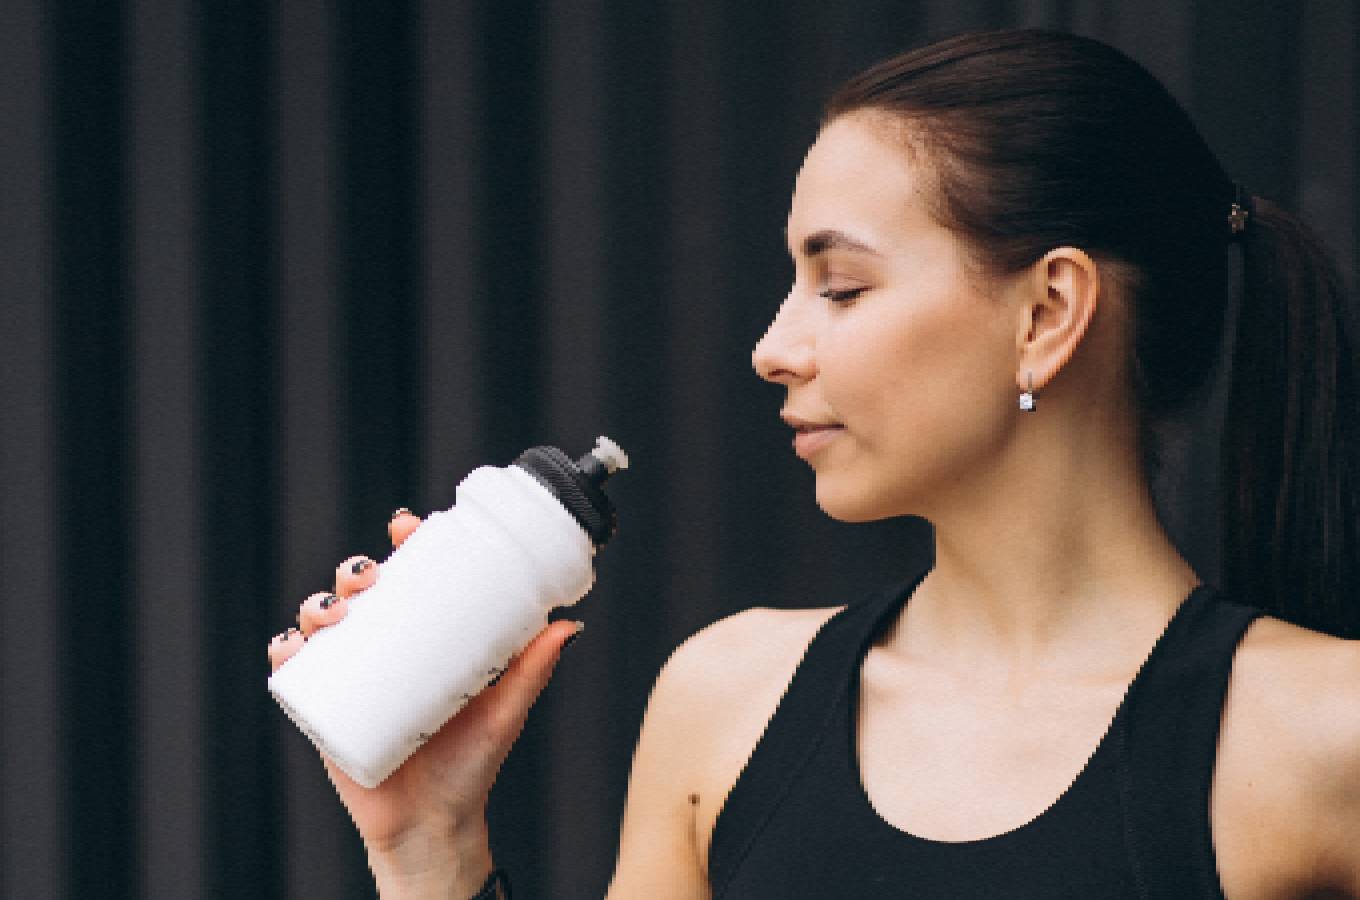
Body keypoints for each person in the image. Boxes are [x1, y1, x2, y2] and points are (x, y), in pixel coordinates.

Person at [268, 29, 1360, 899]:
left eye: (840, 287)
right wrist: (431, 849)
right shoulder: (729, 701)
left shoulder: (1321, 736)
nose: (772, 348)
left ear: (1047, 312)